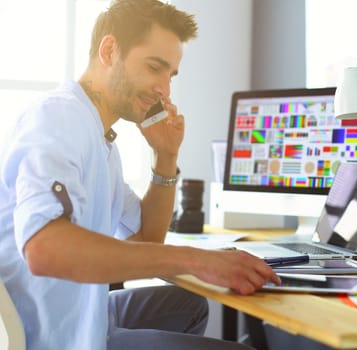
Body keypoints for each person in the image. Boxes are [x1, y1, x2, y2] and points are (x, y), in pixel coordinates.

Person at [0, 0, 280, 349]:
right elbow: (45, 250)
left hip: (86, 311)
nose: (165, 89)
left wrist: (166, 155)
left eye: (170, 75)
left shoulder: (102, 140)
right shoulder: (60, 118)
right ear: (109, 50)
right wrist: (197, 259)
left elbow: (148, 236)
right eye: (154, 68)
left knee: (187, 304)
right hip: (55, 338)